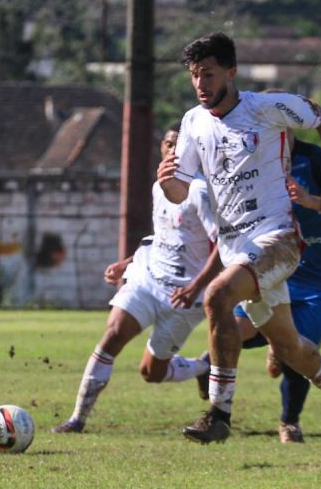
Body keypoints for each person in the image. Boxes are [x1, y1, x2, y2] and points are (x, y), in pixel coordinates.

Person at [157, 30, 321, 444]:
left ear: (231, 72)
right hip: (238, 250)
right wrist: (166, 181)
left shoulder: (266, 108)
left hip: (278, 241)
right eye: (195, 75)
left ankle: (219, 413)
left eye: (209, 74)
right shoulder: (193, 123)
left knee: (217, 296)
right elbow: (180, 190)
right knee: (290, 349)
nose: (201, 84)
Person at [52, 124, 220, 434]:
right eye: (168, 144)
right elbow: (164, 237)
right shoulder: (160, 187)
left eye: (179, 146)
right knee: (112, 334)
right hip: (148, 279)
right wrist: (127, 263)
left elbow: (223, 244)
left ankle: (202, 366)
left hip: (185, 295)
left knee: (151, 372)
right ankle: (77, 419)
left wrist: (196, 286)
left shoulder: (198, 191)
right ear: (162, 149)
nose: (173, 151)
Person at [234, 128, 321, 443]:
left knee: (297, 352)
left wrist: (310, 201)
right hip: (273, 268)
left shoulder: (315, 160)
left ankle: (290, 421)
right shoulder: (251, 163)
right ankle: (216, 381)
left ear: (288, 126)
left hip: (318, 276)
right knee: (232, 331)